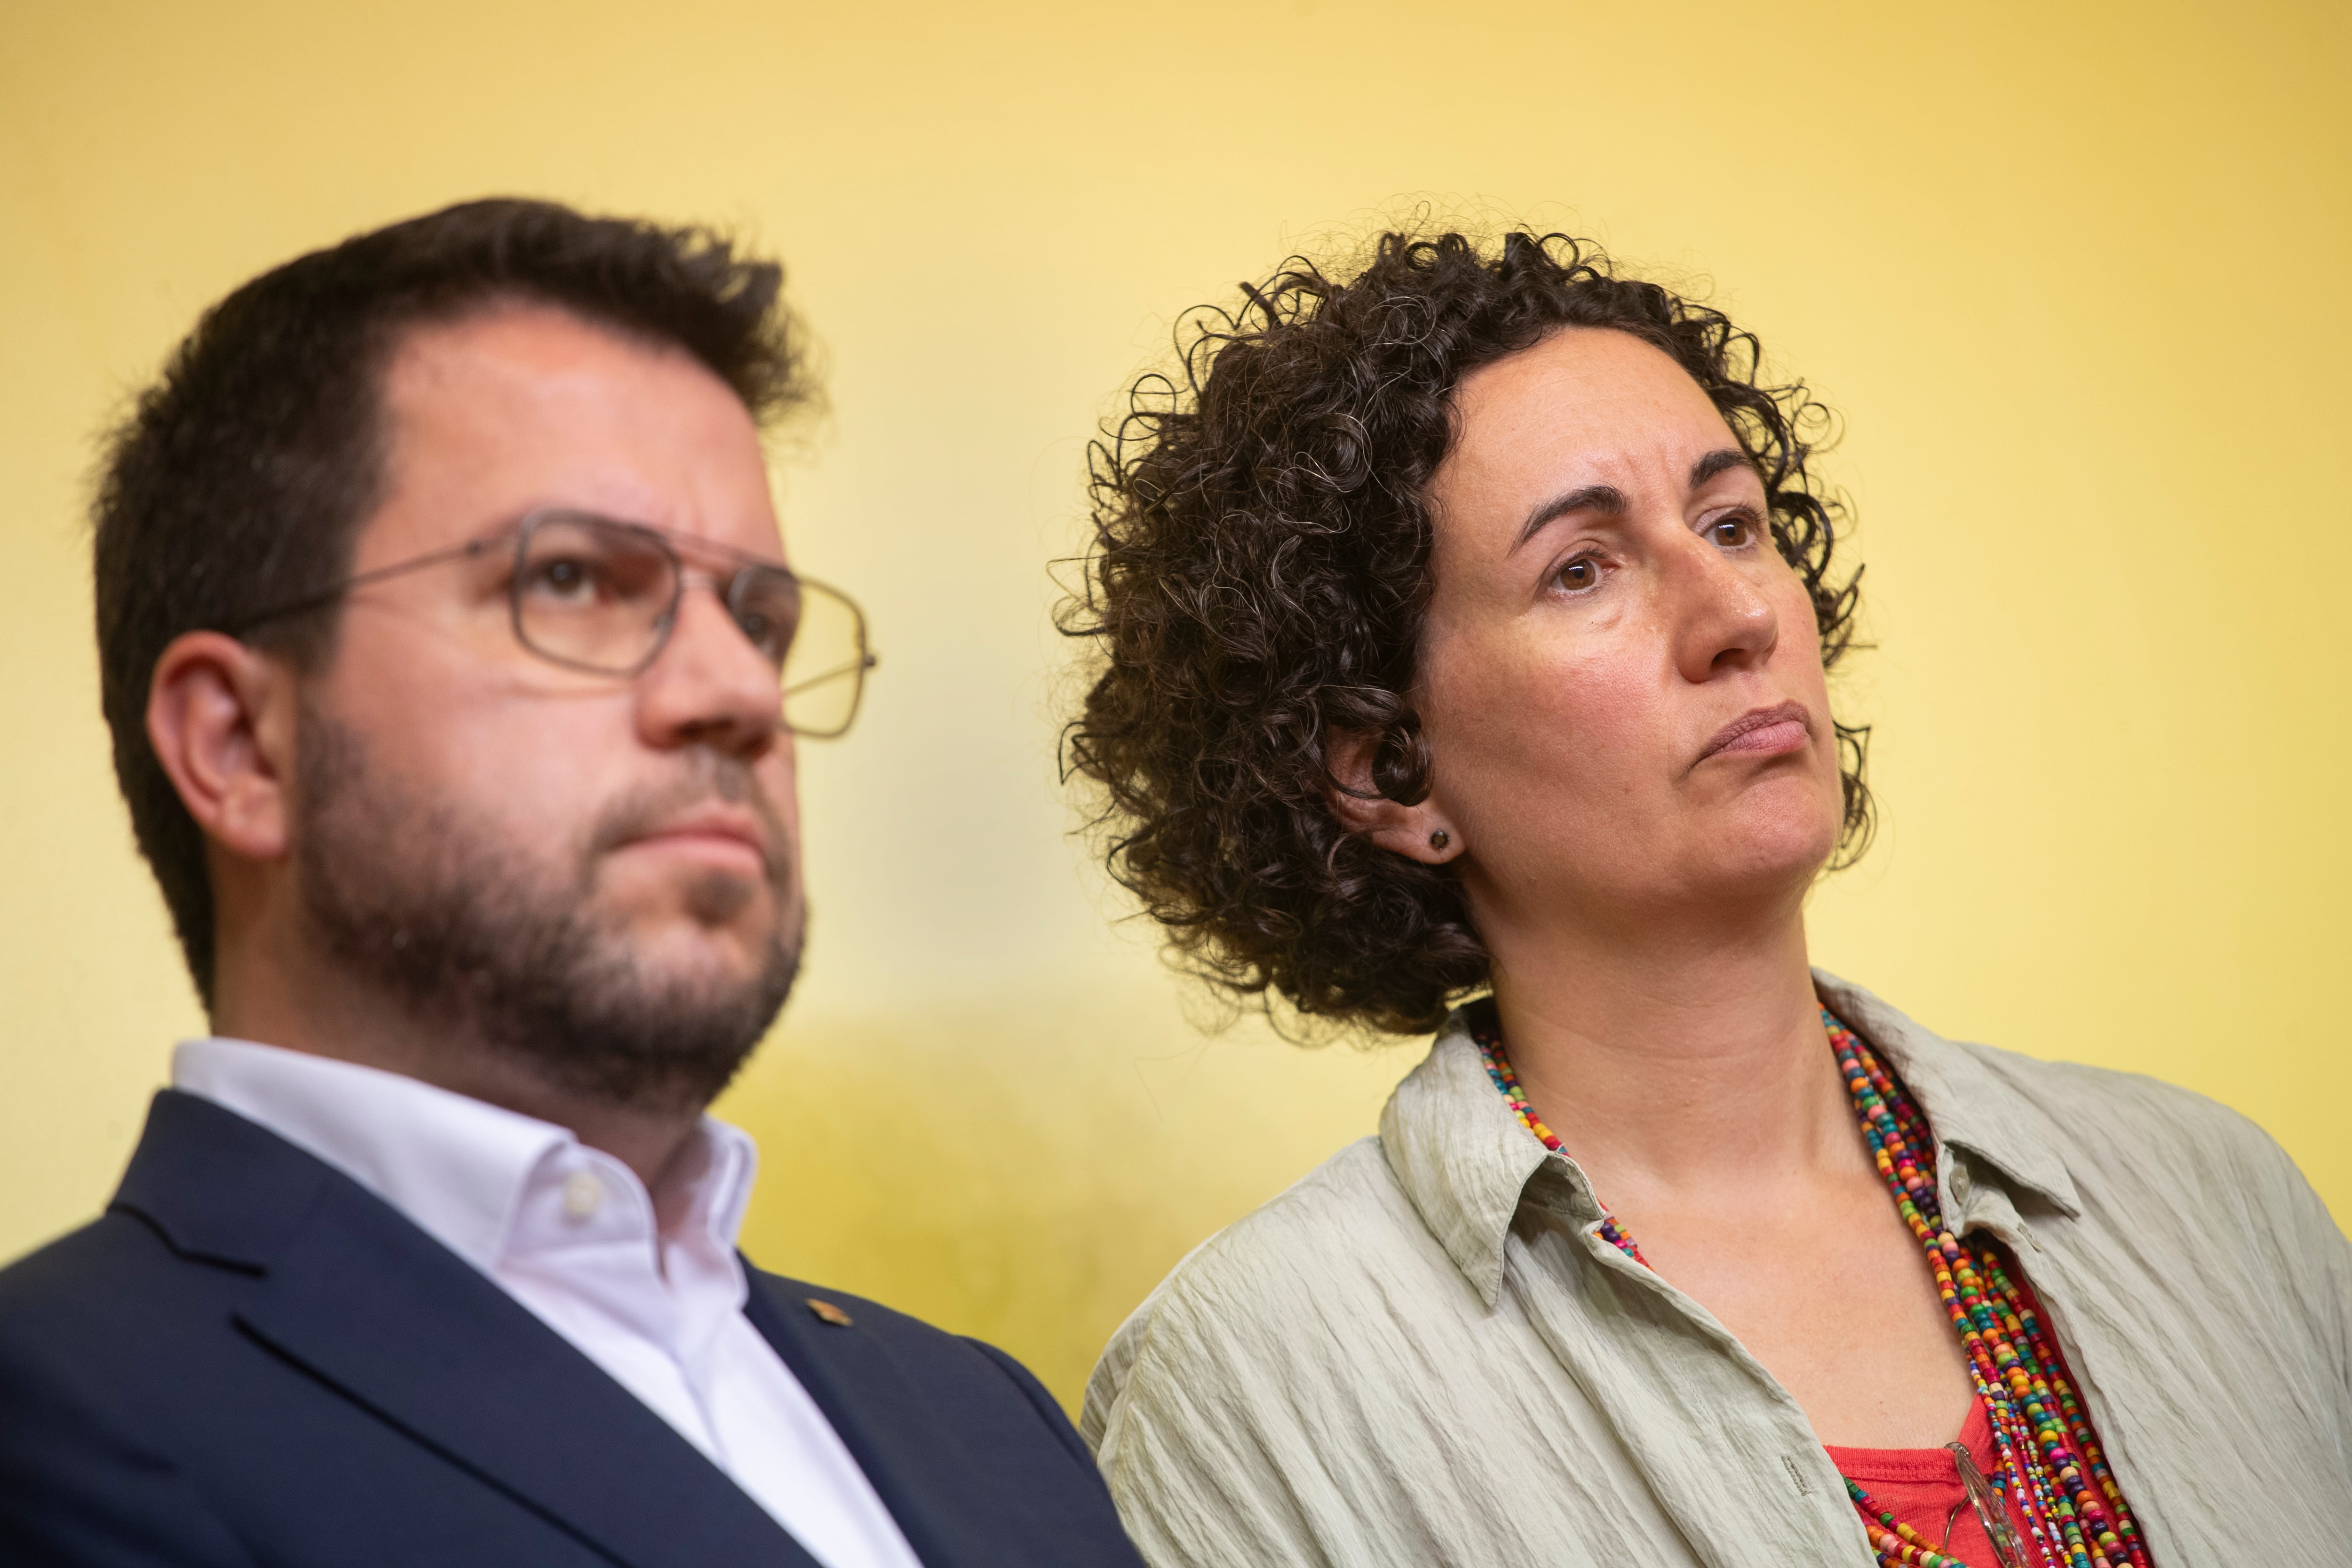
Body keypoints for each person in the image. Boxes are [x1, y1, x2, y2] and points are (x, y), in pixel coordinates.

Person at [1061, 230, 2352, 1568]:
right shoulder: (1254, 1388)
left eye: (1734, 525)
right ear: (1388, 773)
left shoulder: (2214, 1194)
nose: (1735, 609)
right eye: (1583, 569)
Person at [0, 199, 1144, 1568]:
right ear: (241, 743)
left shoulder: (986, 1415)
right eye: (573, 581)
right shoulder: (51, 1424)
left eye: (759, 619)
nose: (737, 692)